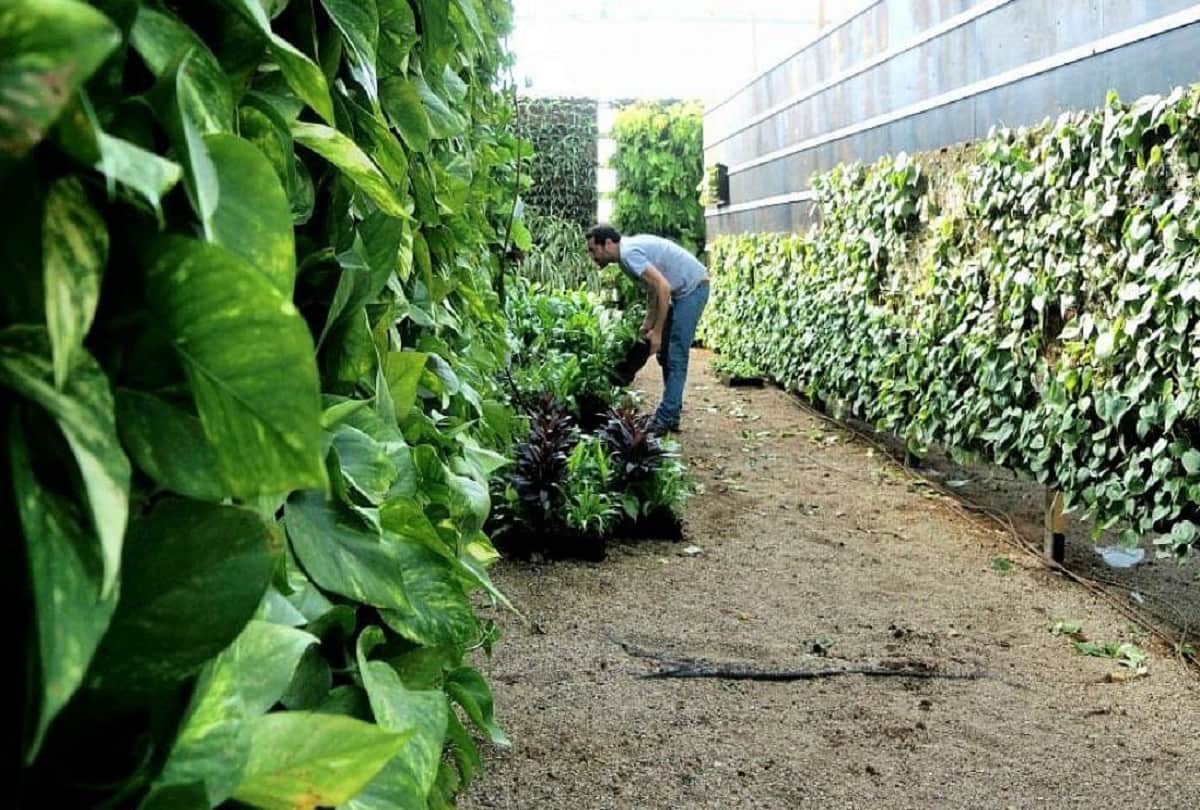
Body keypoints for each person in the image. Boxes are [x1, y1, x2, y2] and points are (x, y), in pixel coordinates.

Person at [585, 224, 710, 433]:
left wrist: (658, 333)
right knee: (666, 356)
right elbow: (653, 291)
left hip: (693, 289)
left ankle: (665, 418)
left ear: (607, 244)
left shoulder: (628, 254)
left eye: (593, 250)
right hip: (682, 291)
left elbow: (663, 288)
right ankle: (672, 414)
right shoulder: (625, 259)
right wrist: (646, 325)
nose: (592, 256)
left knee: (676, 355)